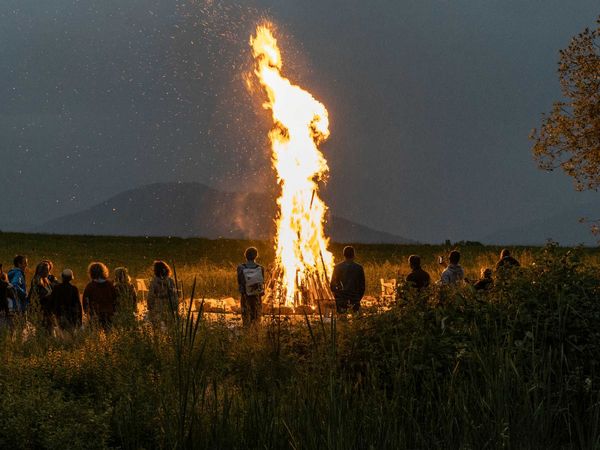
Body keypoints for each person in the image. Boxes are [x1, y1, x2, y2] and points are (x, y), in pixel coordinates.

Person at [330, 246, 366, 313]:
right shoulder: (359, 268)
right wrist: (358, 298)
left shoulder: (337, 267)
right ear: (354, 254)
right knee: (357, 320)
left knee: (342, 320)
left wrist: (338, 297)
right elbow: (362, 286)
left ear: (344, 254)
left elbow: (332, 286)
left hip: (341, 299)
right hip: (355, 298)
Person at [83, 262, 117, 328]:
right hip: (109, 314)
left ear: (91, 273)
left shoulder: (90, 286)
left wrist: (87, 312)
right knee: (109, 334)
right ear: (103, 271)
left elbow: (85, 301)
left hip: (95, 314)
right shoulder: (110, 285)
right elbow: (115, 298)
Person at [236, 247, 265, 327]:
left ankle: (246, 331)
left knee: (246, 314)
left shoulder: (241, 268)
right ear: (256, 256)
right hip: (256, 295)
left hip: (245, 294)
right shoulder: (260, 268)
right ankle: (255, 332)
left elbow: (239, 281)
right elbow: (262, 282)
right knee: (256, 315)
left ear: (245, 255)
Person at [29, 261, 54, 330]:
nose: (48, 272)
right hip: (41, 313)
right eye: (47, 270)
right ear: (42, 271)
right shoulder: (36, 281)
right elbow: (36, 297)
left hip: (48, 312)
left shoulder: (46, 281)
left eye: (48, 270)